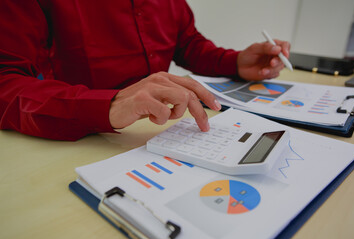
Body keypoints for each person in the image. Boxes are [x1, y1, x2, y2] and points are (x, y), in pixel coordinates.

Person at [0, 0, 290, 141]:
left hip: (158, 132)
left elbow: (187, 43)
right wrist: (106, 105)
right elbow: (5, 83)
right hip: (77, 142)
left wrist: (237, 61)